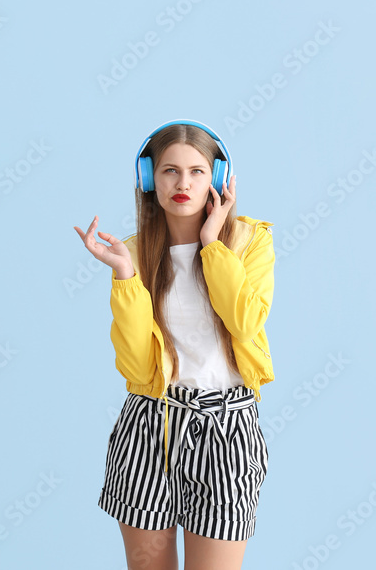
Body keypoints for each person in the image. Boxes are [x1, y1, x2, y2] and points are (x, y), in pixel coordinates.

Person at [73, 119, 276, 570]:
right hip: (150, 427)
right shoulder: (134, 252)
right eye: (169, 171)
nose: (183, 183)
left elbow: (245, 323)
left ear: (219, 180)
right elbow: (137, 369)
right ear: (149, 179)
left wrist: (211, 245)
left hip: (227, 433)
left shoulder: (250, 242)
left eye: (197, 171)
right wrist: (125, 278)